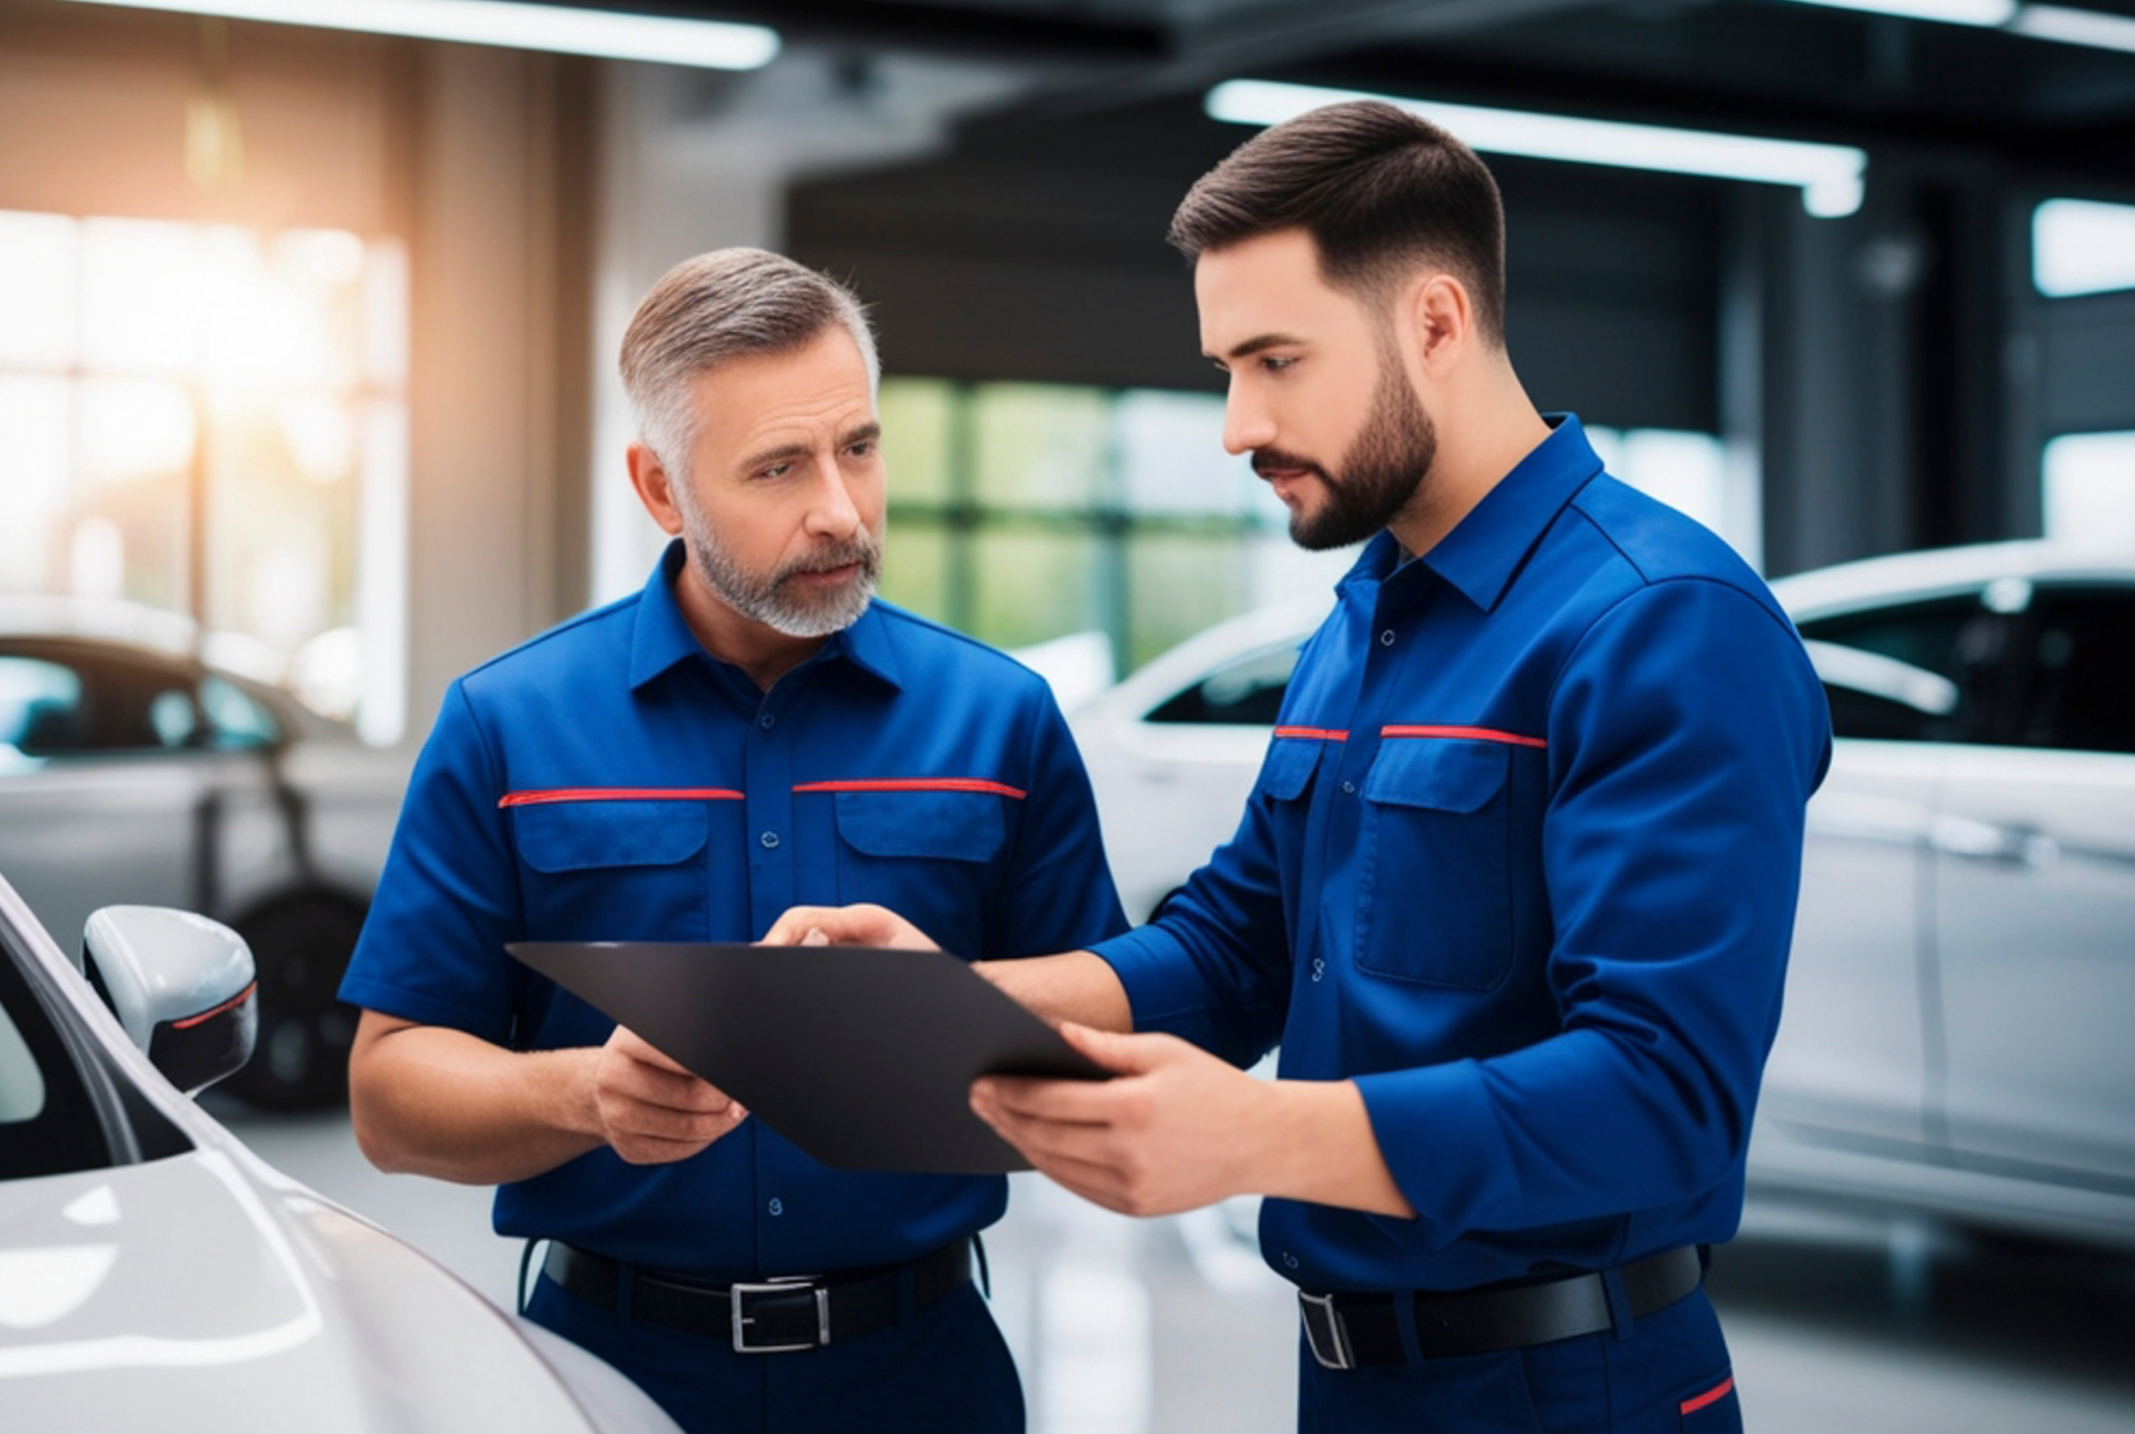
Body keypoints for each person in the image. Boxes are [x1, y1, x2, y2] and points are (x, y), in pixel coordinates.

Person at [767, 102, 1830, 1433]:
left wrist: (1260, 1135)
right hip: (1349, 1382)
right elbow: (1236, 950)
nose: (1234, 423)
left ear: (1435, 322)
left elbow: (1665, 1094)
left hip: (1570, 1385)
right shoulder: (1370, 612)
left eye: (1275, 360)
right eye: (1227, 366)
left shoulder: (1663, 623)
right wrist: (952, 1003)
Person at [339, 247, 1127, 1434]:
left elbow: (1107, 1050)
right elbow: (389, 1094)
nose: (840, 511)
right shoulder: (508, 726)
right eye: (777, 468)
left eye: (858, 448)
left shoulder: (999, 720)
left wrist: (950, 1020)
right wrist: (583, 1094)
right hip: (612, 1373)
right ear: (660, 488)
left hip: (922, 1380)